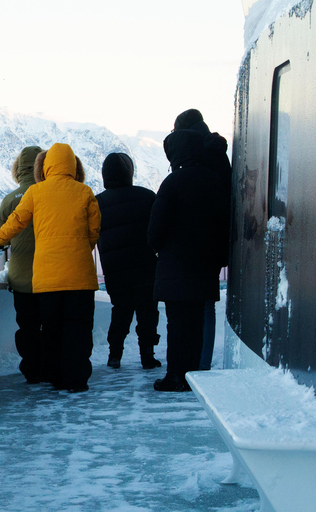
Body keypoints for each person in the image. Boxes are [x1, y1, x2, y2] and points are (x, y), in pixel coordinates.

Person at [0, 143, 100, 392]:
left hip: (47, 278)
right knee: (79, 330)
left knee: (52, 330)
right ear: (74, 165)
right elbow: (94, 232)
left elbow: (15, 222)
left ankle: (55, 378)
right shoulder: (85, 192)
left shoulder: (36, 193)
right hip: (81, 278)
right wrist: (80, 250)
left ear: (45, 166)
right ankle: (77, 380)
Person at [148, 129, 229, 391]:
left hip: (175, 266)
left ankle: (175, 376)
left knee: (177, 324)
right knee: (195, 323)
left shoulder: (172, 183)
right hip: (205, 266)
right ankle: (194, 376)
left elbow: (155, 232)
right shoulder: (215, 181)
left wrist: (160, 247)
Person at [172, 109, 232, 370]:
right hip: (217, 234)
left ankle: (191, 363)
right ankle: (204, 362)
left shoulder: (192, 155)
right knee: (207, 302)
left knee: (190, 305)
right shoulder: (219, 153)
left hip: (191, 238)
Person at [95, 153, 161, 370]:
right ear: (129, 173)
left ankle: (114, 356)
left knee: (120, 313)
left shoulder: (99, 202)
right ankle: (147, 357)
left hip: (116, 271)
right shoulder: (147, 196)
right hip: (146, 269)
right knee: (148, 314)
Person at [0, 146, 44, 382]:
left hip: (21, 276)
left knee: (27, 326)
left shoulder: (9, 200)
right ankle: (52, 368)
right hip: (50, 274)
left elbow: (0, 235)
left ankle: (32, 370)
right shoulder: (48, 193)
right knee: (52, 324)